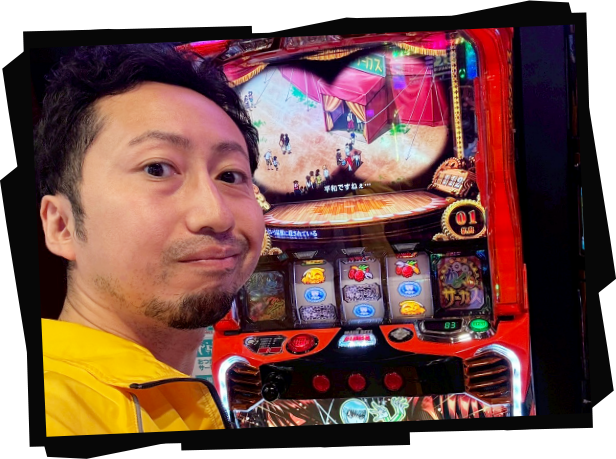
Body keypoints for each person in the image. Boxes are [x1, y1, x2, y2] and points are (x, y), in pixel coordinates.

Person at [34, 43, 265, 436]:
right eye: (157, 168)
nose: (216, 215)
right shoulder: (57, 410)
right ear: (62, 226)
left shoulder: (176, 401)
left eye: (230, 175)